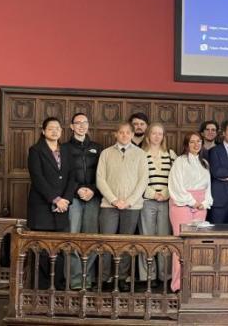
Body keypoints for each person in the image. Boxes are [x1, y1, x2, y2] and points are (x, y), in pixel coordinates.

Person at [96, 122, 149, 291]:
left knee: (126, 243)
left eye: (128, 133)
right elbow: (100, 179)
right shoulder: (106, 153)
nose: (124, 135)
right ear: (116, 134)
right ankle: (104, 278)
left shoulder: (140, 154)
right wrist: (113, 200)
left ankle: (121, 278)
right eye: (121, 132)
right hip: (109, 205)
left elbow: (143, 181)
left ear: (132, 135)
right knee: (106, 242)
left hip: (132, 206)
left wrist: (129, 201)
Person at [27, 117, 76, 289]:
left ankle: (59, 286)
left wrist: (66, 200)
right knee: (41, 249)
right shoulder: (35, 150)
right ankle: (42, 288)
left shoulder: (66, 151)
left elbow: (72, 177)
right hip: (42, 206)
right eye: (50, 128)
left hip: (62, 206)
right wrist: (55, 199)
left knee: (60, 247)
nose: (55, 131)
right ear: (43, 131)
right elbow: (38, 179)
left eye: (57, 128)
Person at [61, 112, 102, 290]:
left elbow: (103, 173)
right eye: (77, 123)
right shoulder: (64, 148)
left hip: (93, 197)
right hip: (74, 197)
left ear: (88, 125)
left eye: (84, 122)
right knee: (72, 238)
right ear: (71, 126)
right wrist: (77, 188)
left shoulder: (97, 147)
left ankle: (88, 277)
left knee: (91, 238)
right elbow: (63, 175)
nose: (81, 126)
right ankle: (76, 280)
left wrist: (92, 189)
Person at [168, 131, 212, 292]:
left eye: (199, 141)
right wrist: (193, 202)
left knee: (197, 244)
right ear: (187, 144)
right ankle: (179, 284)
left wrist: (205, 202)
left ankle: (194, 282)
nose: (196, 145)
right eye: (192, 142)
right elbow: (176, 186)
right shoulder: (179, 162)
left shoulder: (204, 163)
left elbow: (208, 187)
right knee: (181, 244)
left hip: (201, 205)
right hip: (182, 203)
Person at [138, 123, 176, 287]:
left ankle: (164, 275)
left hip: (166, 201)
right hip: (147, 200)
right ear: (148, 136)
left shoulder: (170, 154)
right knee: (147, 238)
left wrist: (166, 193)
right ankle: (148, 276)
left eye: (160, 134)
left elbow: (175, 177)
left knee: (164, 239)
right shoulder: (140, 154)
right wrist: (153, 193)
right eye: (154, 133)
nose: (157, 136)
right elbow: (137, 178)